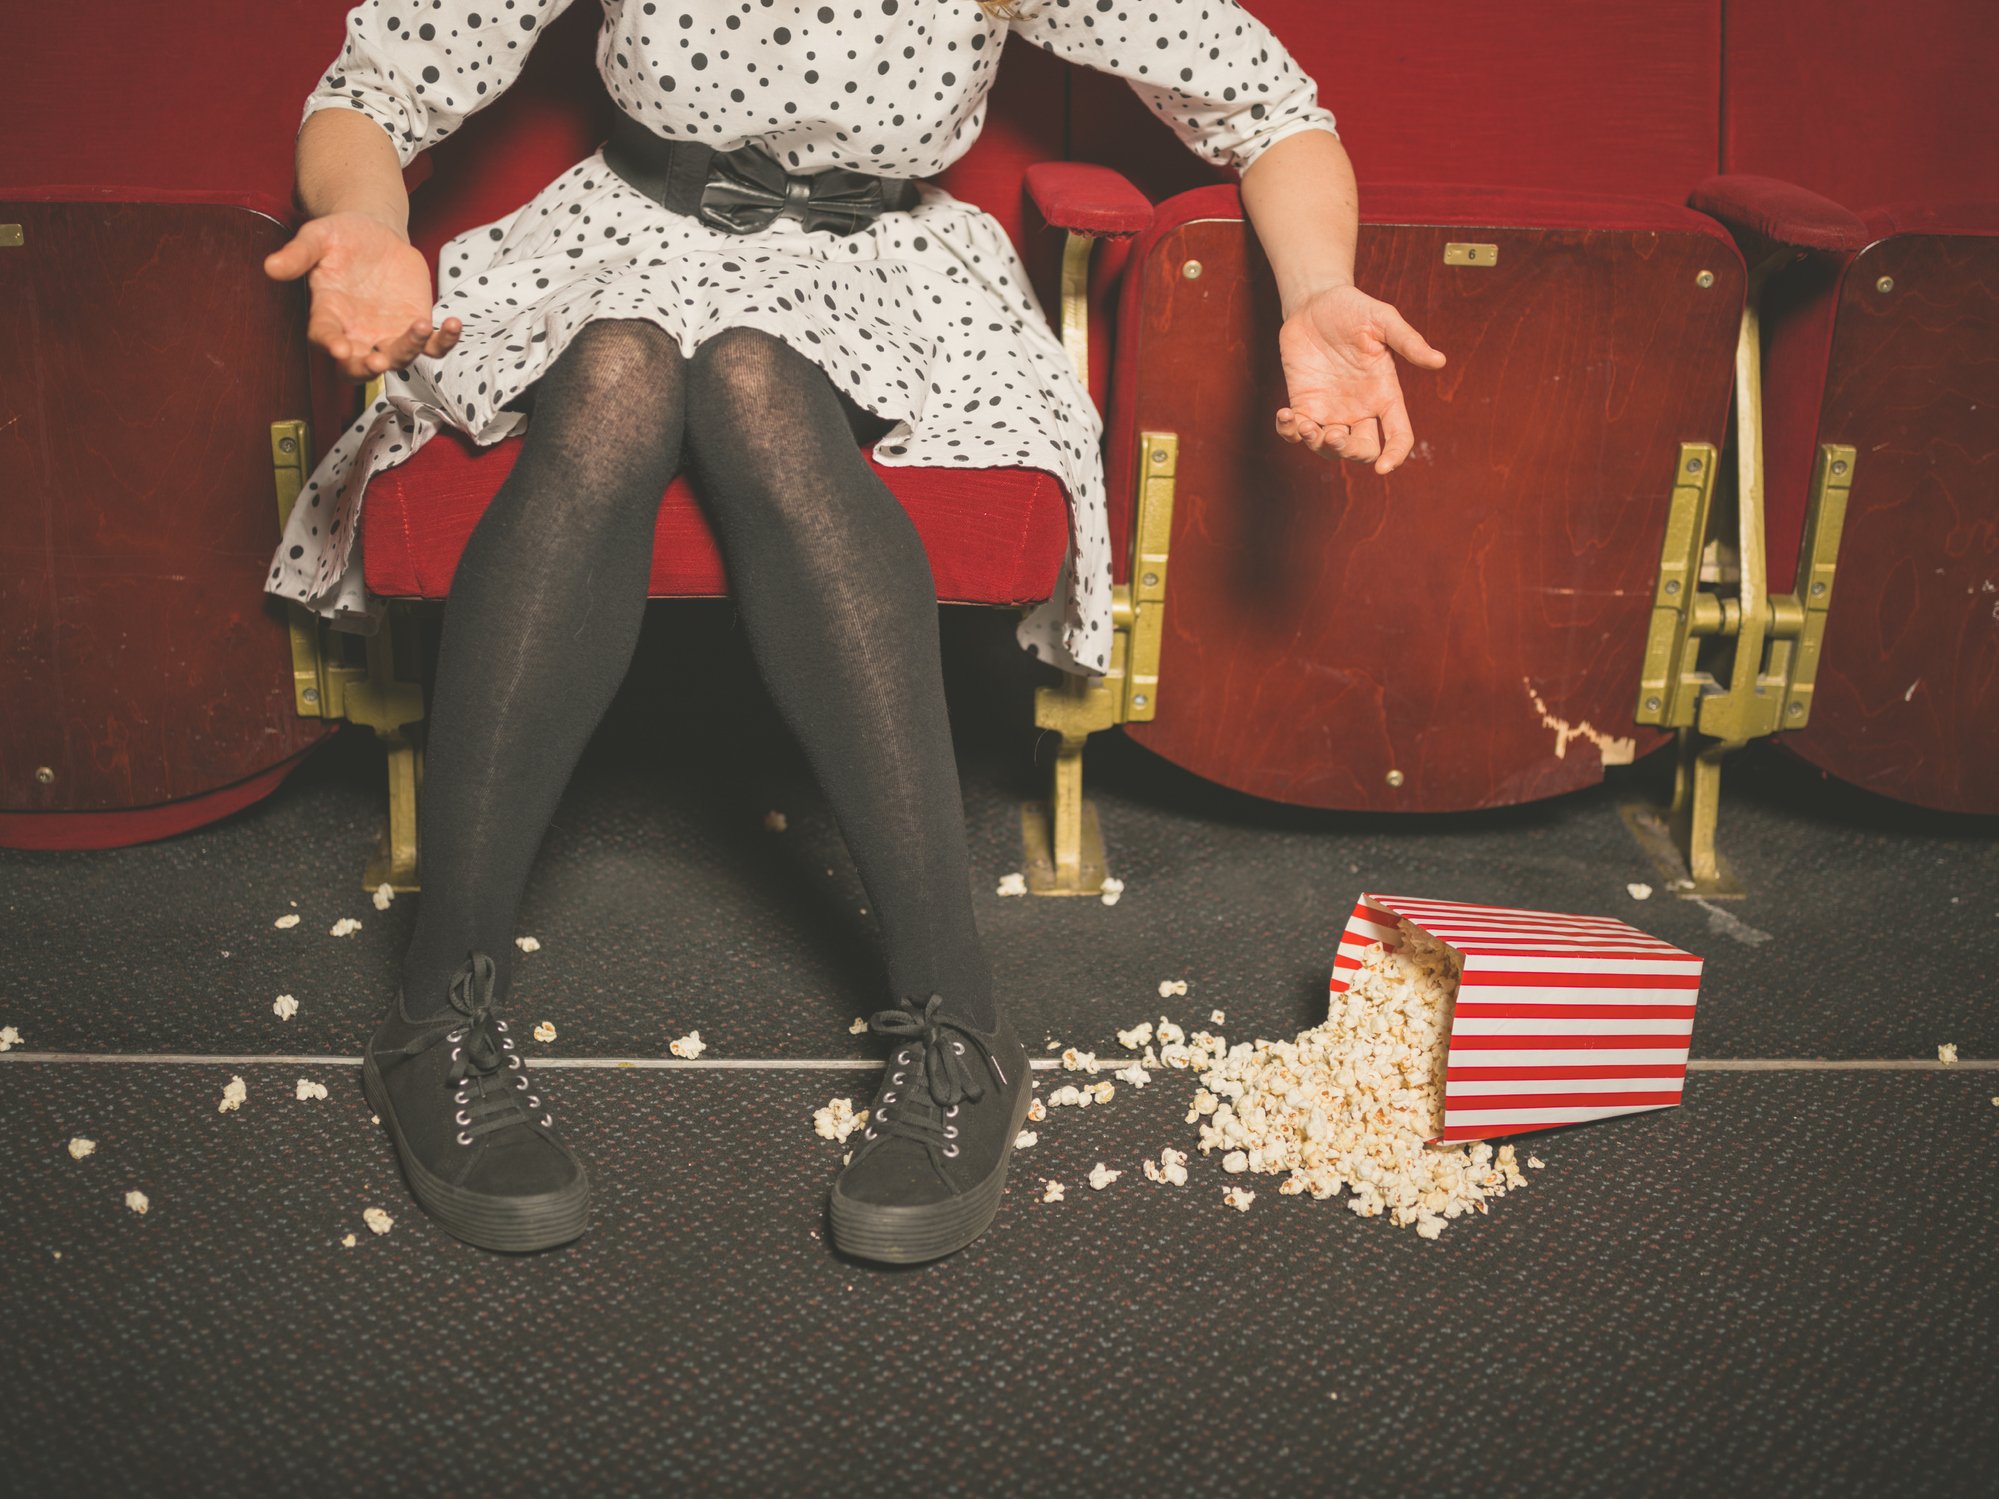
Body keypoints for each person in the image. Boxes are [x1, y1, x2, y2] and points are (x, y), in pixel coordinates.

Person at [261, 0, 1445, 1262]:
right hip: (625, 241)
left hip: (883, 268)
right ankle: (436, 1011)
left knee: (751, 379)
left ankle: (962, 1022)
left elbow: (1271, 110)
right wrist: (373, 224)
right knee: (618, 372)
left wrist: (1318, 288)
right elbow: (375, 83)